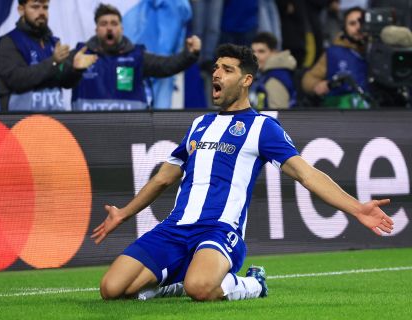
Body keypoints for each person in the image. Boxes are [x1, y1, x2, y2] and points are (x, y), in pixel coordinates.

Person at [92, 43, 394, 301]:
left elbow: (307, 174)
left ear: (246, 79)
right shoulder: (200, 124)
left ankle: (252, 284)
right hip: (175, 228)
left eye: (227, 69)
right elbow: (163, 177)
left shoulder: (263, 127)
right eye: (215, 68)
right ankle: (175, 283)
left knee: (200, 287)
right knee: (112, 289)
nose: (216, 74)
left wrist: (357, 208)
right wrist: (123, 214)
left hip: (220, 230)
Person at [71, 3, 201, 111]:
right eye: (104, 24)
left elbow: (166, 66)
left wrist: (189, 54)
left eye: (114, 23)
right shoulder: (81, 56)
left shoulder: (136, 57)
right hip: (88, 133)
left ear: (122, 28)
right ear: (96, 29)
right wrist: (72, 69)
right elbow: (59, 74)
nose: (109, 28)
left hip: (131, 132)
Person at [0, 0, 97, 112]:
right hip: (21, 124)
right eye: (35, 7)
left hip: (53, 123)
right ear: (21, 10)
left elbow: (63, 82)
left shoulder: (53, 43)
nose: (42, 12)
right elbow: (17, 80)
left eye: (45, 7)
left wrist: (75, 70)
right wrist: (53, 62)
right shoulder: (8, 42)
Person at [301, 6, 369, 109]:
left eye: (361, 22)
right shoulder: (333, 52)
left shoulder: (380, 49)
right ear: (344, 28)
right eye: (352, 23)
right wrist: (318, 85)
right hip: (341, 111)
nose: (358, 27)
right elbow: (308, 80)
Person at [250, 32, 297, 109]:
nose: (255, 56)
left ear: (274, 52)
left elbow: (279, 115)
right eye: (253, 51)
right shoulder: (268, 74)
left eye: (261, 51)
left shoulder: (275, 79)